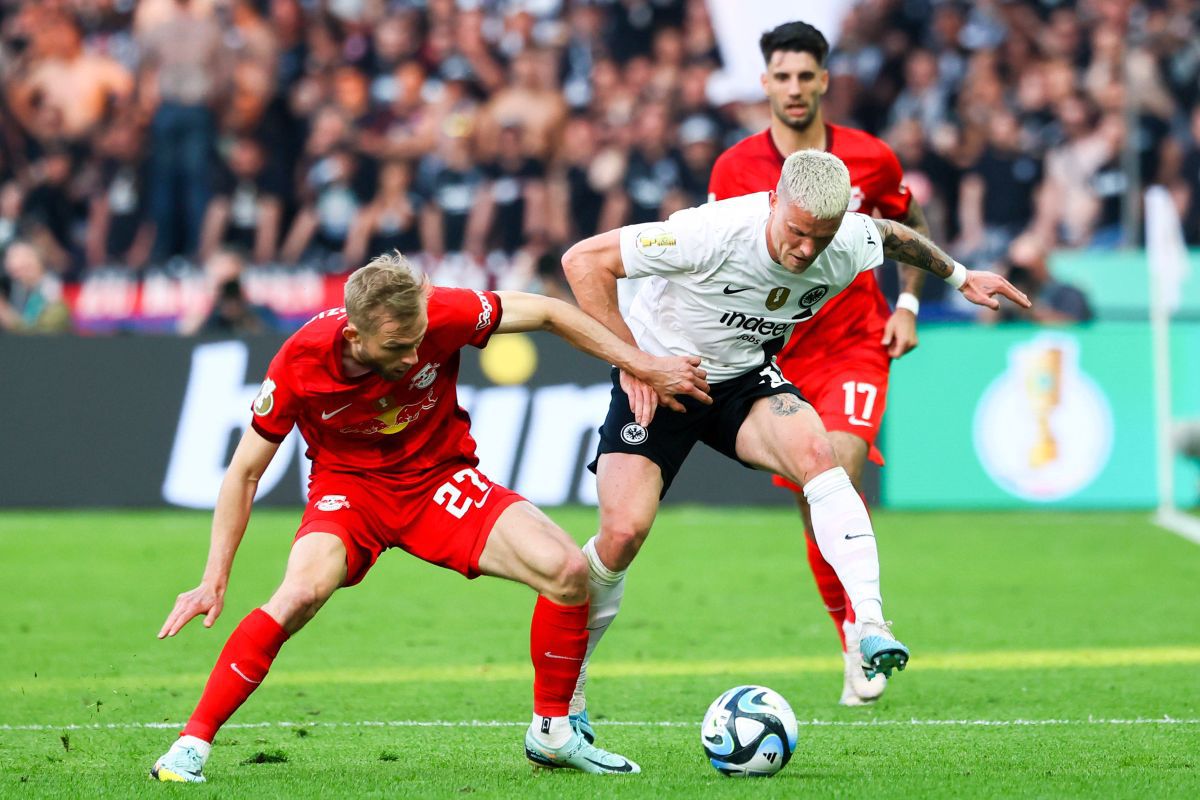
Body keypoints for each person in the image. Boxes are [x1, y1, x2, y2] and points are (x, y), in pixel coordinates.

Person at [149, 253, 711, 782]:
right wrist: (213, 578)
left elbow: (546, 310)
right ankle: (190, 745)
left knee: (567, 570)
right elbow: (244, 472)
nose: (414, 357)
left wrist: (638, 362)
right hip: (351, 493)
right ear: (354, 335)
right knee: (298, 593)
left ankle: (554, 732)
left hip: (438, 481)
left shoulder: (442, 310)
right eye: (398, 345)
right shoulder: (300, 360)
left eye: (419, 340)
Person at [561, 149, 1029, 744]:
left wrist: (963, 278)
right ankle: (568, 688)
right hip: (661, 374)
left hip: (743, 380)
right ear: (773, 201)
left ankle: (870, 624)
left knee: (819, 458)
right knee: (623, 533)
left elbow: (897, 236)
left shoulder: (846, 240)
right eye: (797, 231)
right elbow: (582, 262)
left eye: (821, 237)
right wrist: (634, 363)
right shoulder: (709, 233)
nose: (806, 250)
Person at [706, 21, 934, 707]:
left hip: (854, 342)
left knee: (838, 464)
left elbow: (911, 228)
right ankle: (850, 634)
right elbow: (715, 258)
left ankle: (867, 629)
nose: (795, 88)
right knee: (818, 495)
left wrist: (909, 307)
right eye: (783, 76)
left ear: (825, 80)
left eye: (807, 76)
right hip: (772, 354)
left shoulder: (870, 160)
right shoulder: (734, 169)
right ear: (766, 83)